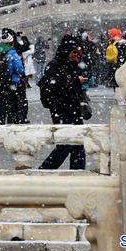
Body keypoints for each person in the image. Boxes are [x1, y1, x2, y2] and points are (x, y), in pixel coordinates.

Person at [38, 35, 87, 170]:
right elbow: (56, 87)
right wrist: (76, 81)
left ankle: (78, 174)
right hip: (60, 110)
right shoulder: (53, 66)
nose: (76, 55)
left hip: (74, 109)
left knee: (78, 144)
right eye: (74, 52)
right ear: (66, 51)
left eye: (78, 52)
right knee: (65, 145)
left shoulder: (72, 64)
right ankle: (44, 170)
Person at [0, 29, 25, 125]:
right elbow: (20, 69)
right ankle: (11, 127)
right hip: (11, 84)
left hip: (0, 85)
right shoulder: (12, 53)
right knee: (12, 108)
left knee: (1, 108)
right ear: (11, 42)